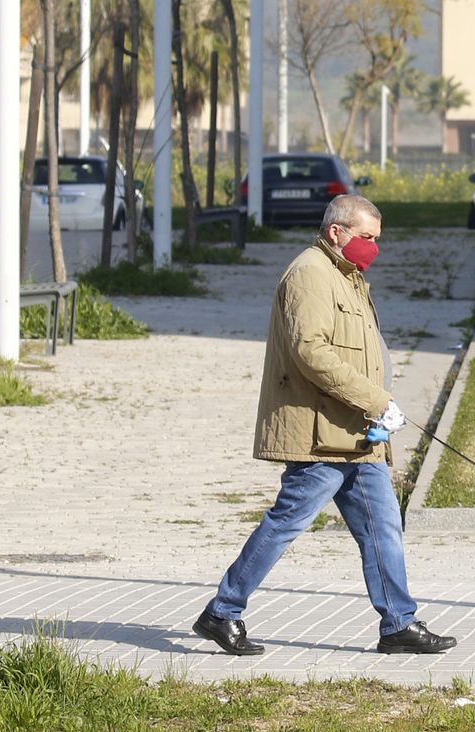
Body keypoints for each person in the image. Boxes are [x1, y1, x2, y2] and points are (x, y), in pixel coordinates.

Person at [192, 192, 456, 658]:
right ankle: (222, 611)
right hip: (322, 435)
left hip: (356, 432)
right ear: (336, 231)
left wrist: (378, 405)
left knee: (383, 529)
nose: (372, 248)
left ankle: (398, 623)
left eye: (377, 239)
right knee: (285, 524)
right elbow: (312, 353)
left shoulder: (346, 275)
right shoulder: (310, 275)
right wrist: (376, 399)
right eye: (366, 237)